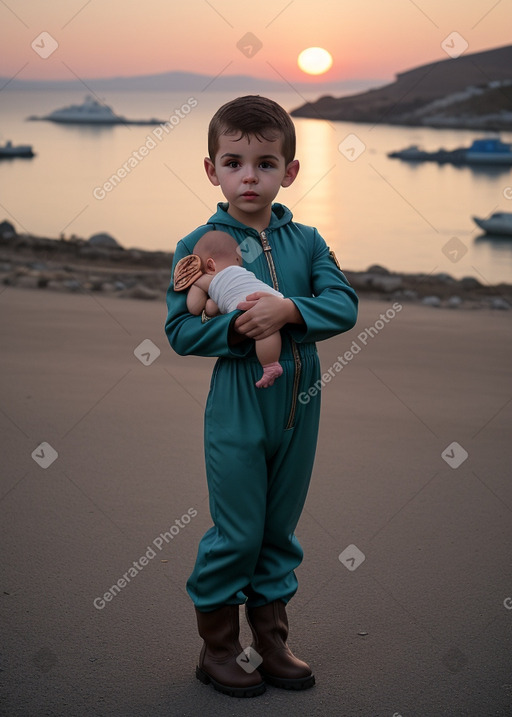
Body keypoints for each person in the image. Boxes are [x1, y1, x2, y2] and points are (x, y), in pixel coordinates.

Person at [165, 95, 358, 698]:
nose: (250, 176)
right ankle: (218, 648)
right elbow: (181, 329)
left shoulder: (308, 240)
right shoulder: (197, 246)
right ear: (211, 170)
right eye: (235, 162)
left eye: (266, 163)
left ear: (290, 171)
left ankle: (271, 640)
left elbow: (344, 305)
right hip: (238, 398)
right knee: (239, 529)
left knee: (279, 527)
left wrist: (291, 309)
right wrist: (241, 328)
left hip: (302, 397)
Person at [173, 229, 285, 388]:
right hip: (274, 298)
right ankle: (272, 362)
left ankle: (270, 365)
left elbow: (194, 308)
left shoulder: (206, 279)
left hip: (252, 305)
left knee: (264, 330)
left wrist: (196, 285)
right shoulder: (242, 272)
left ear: (210, 265)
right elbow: (216, 304)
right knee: (270, 325)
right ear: (237, 258)